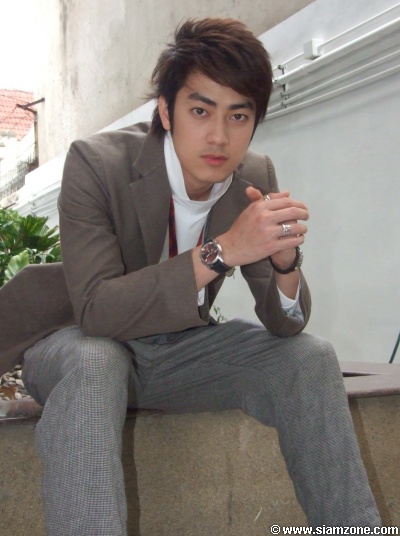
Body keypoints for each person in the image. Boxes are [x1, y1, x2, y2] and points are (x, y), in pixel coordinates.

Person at [19, 18, 380, 535]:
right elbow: (97, 311)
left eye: (239, 116)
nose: (219, 136)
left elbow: (285, 324)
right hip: (77, 342)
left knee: (310, 357)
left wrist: (283, 262)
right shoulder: (96, 163)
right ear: (166, 111)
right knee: (97, 360)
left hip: (178, 353)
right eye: (200, 110)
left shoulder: (253, 175)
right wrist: (224, 249)